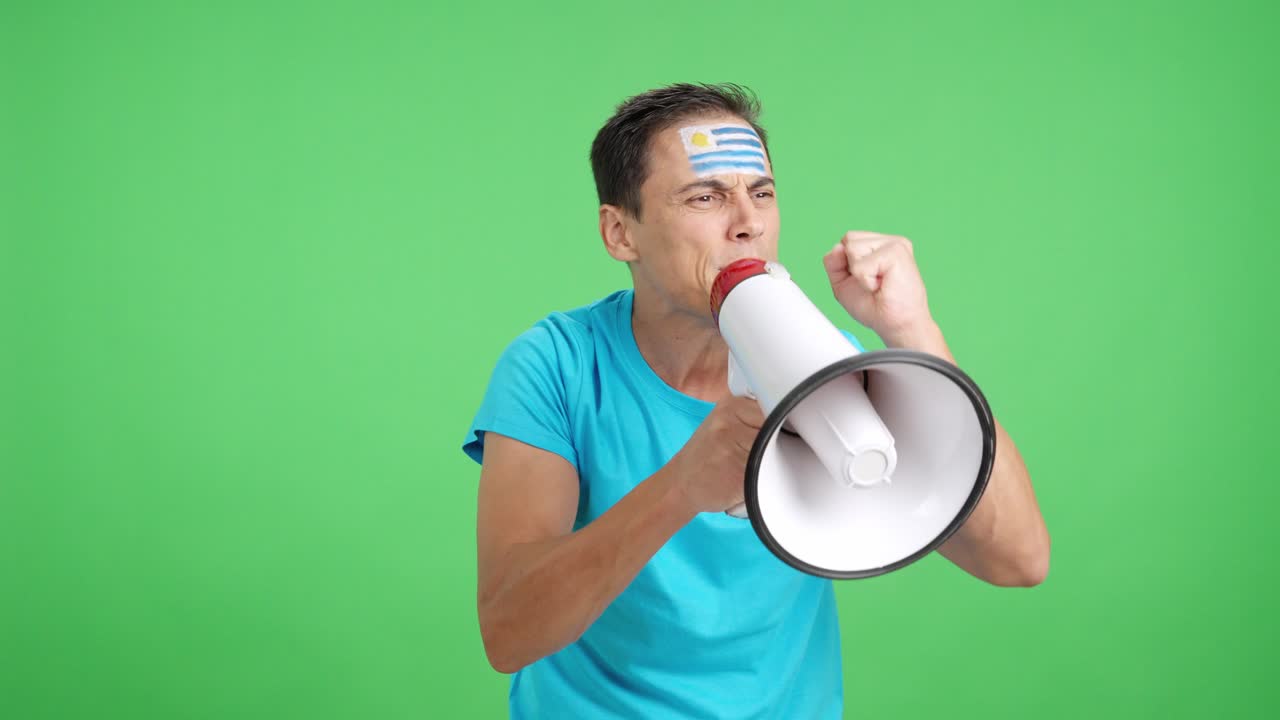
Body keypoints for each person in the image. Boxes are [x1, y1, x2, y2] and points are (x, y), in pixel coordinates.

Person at [461, 83, 1050, 719]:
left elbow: (1017, 559)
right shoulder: (555, 364)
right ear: (620, 233)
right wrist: (683, 487)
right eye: (705, 197)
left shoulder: (834, 367)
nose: (748, 222)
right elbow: (508, 631)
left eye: (762, 193)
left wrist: (913, 333)